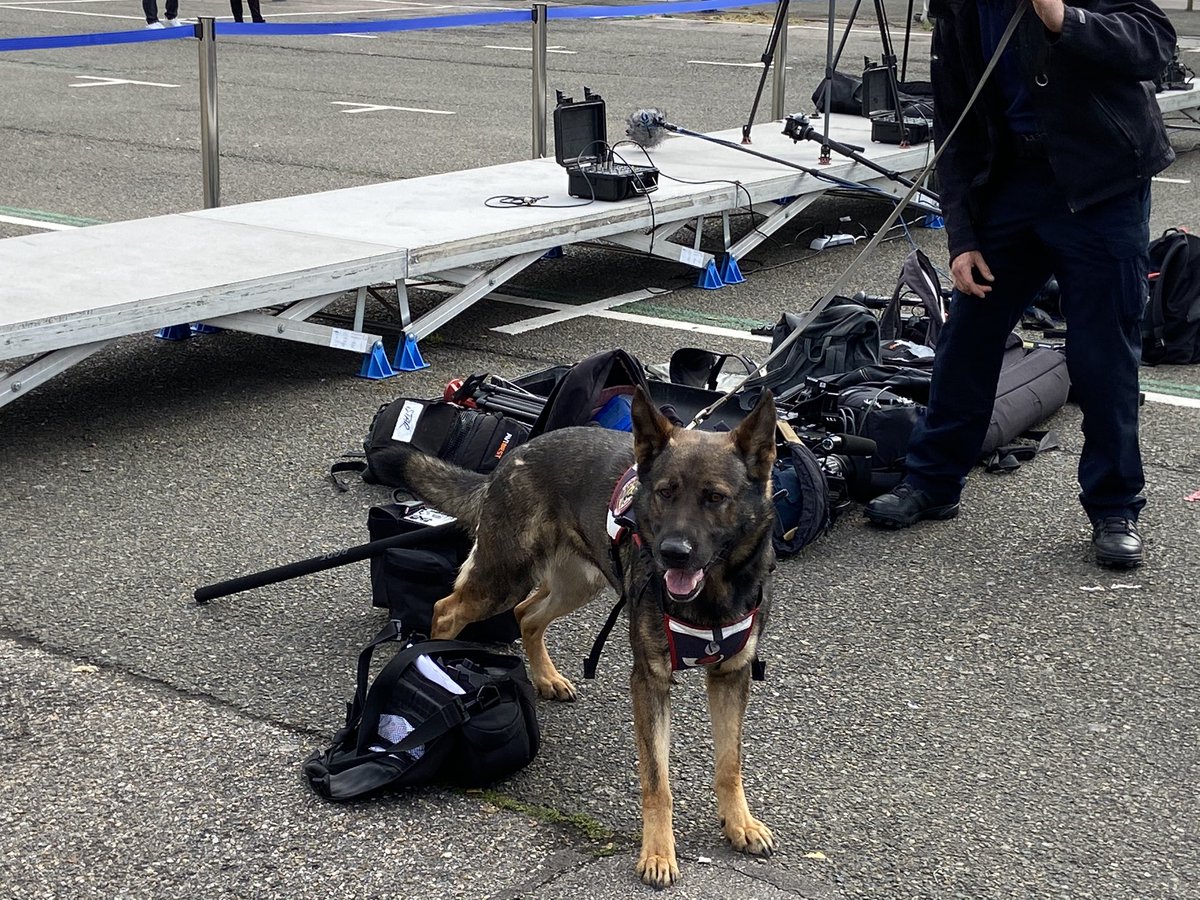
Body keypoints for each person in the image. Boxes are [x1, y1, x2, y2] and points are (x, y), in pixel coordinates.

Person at [863, 0, 1176, 568]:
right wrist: (962, 237)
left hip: (1101, 188)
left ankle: (1114, 507)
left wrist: (1066, 20)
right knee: (968, 339)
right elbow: (952, 123)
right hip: (1008, 186)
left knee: (1103, 353)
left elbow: (1154, 46)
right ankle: (932, 481)